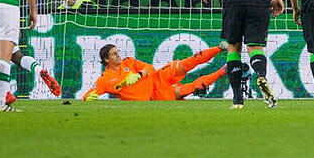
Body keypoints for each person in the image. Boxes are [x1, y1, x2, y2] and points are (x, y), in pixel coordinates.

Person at [81, 43, 227, 101]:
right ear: (106, 59)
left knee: (185, 64)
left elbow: (150, 67)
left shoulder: (129, 61)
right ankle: (224, 70)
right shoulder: (105, 80)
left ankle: (219, 47)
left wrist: (139, 74)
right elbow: (88, 95)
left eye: (118, 52)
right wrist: (88, 98)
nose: (118, 55)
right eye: (114, 54)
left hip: (158, 78)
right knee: (188, 89)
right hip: (155, 96)